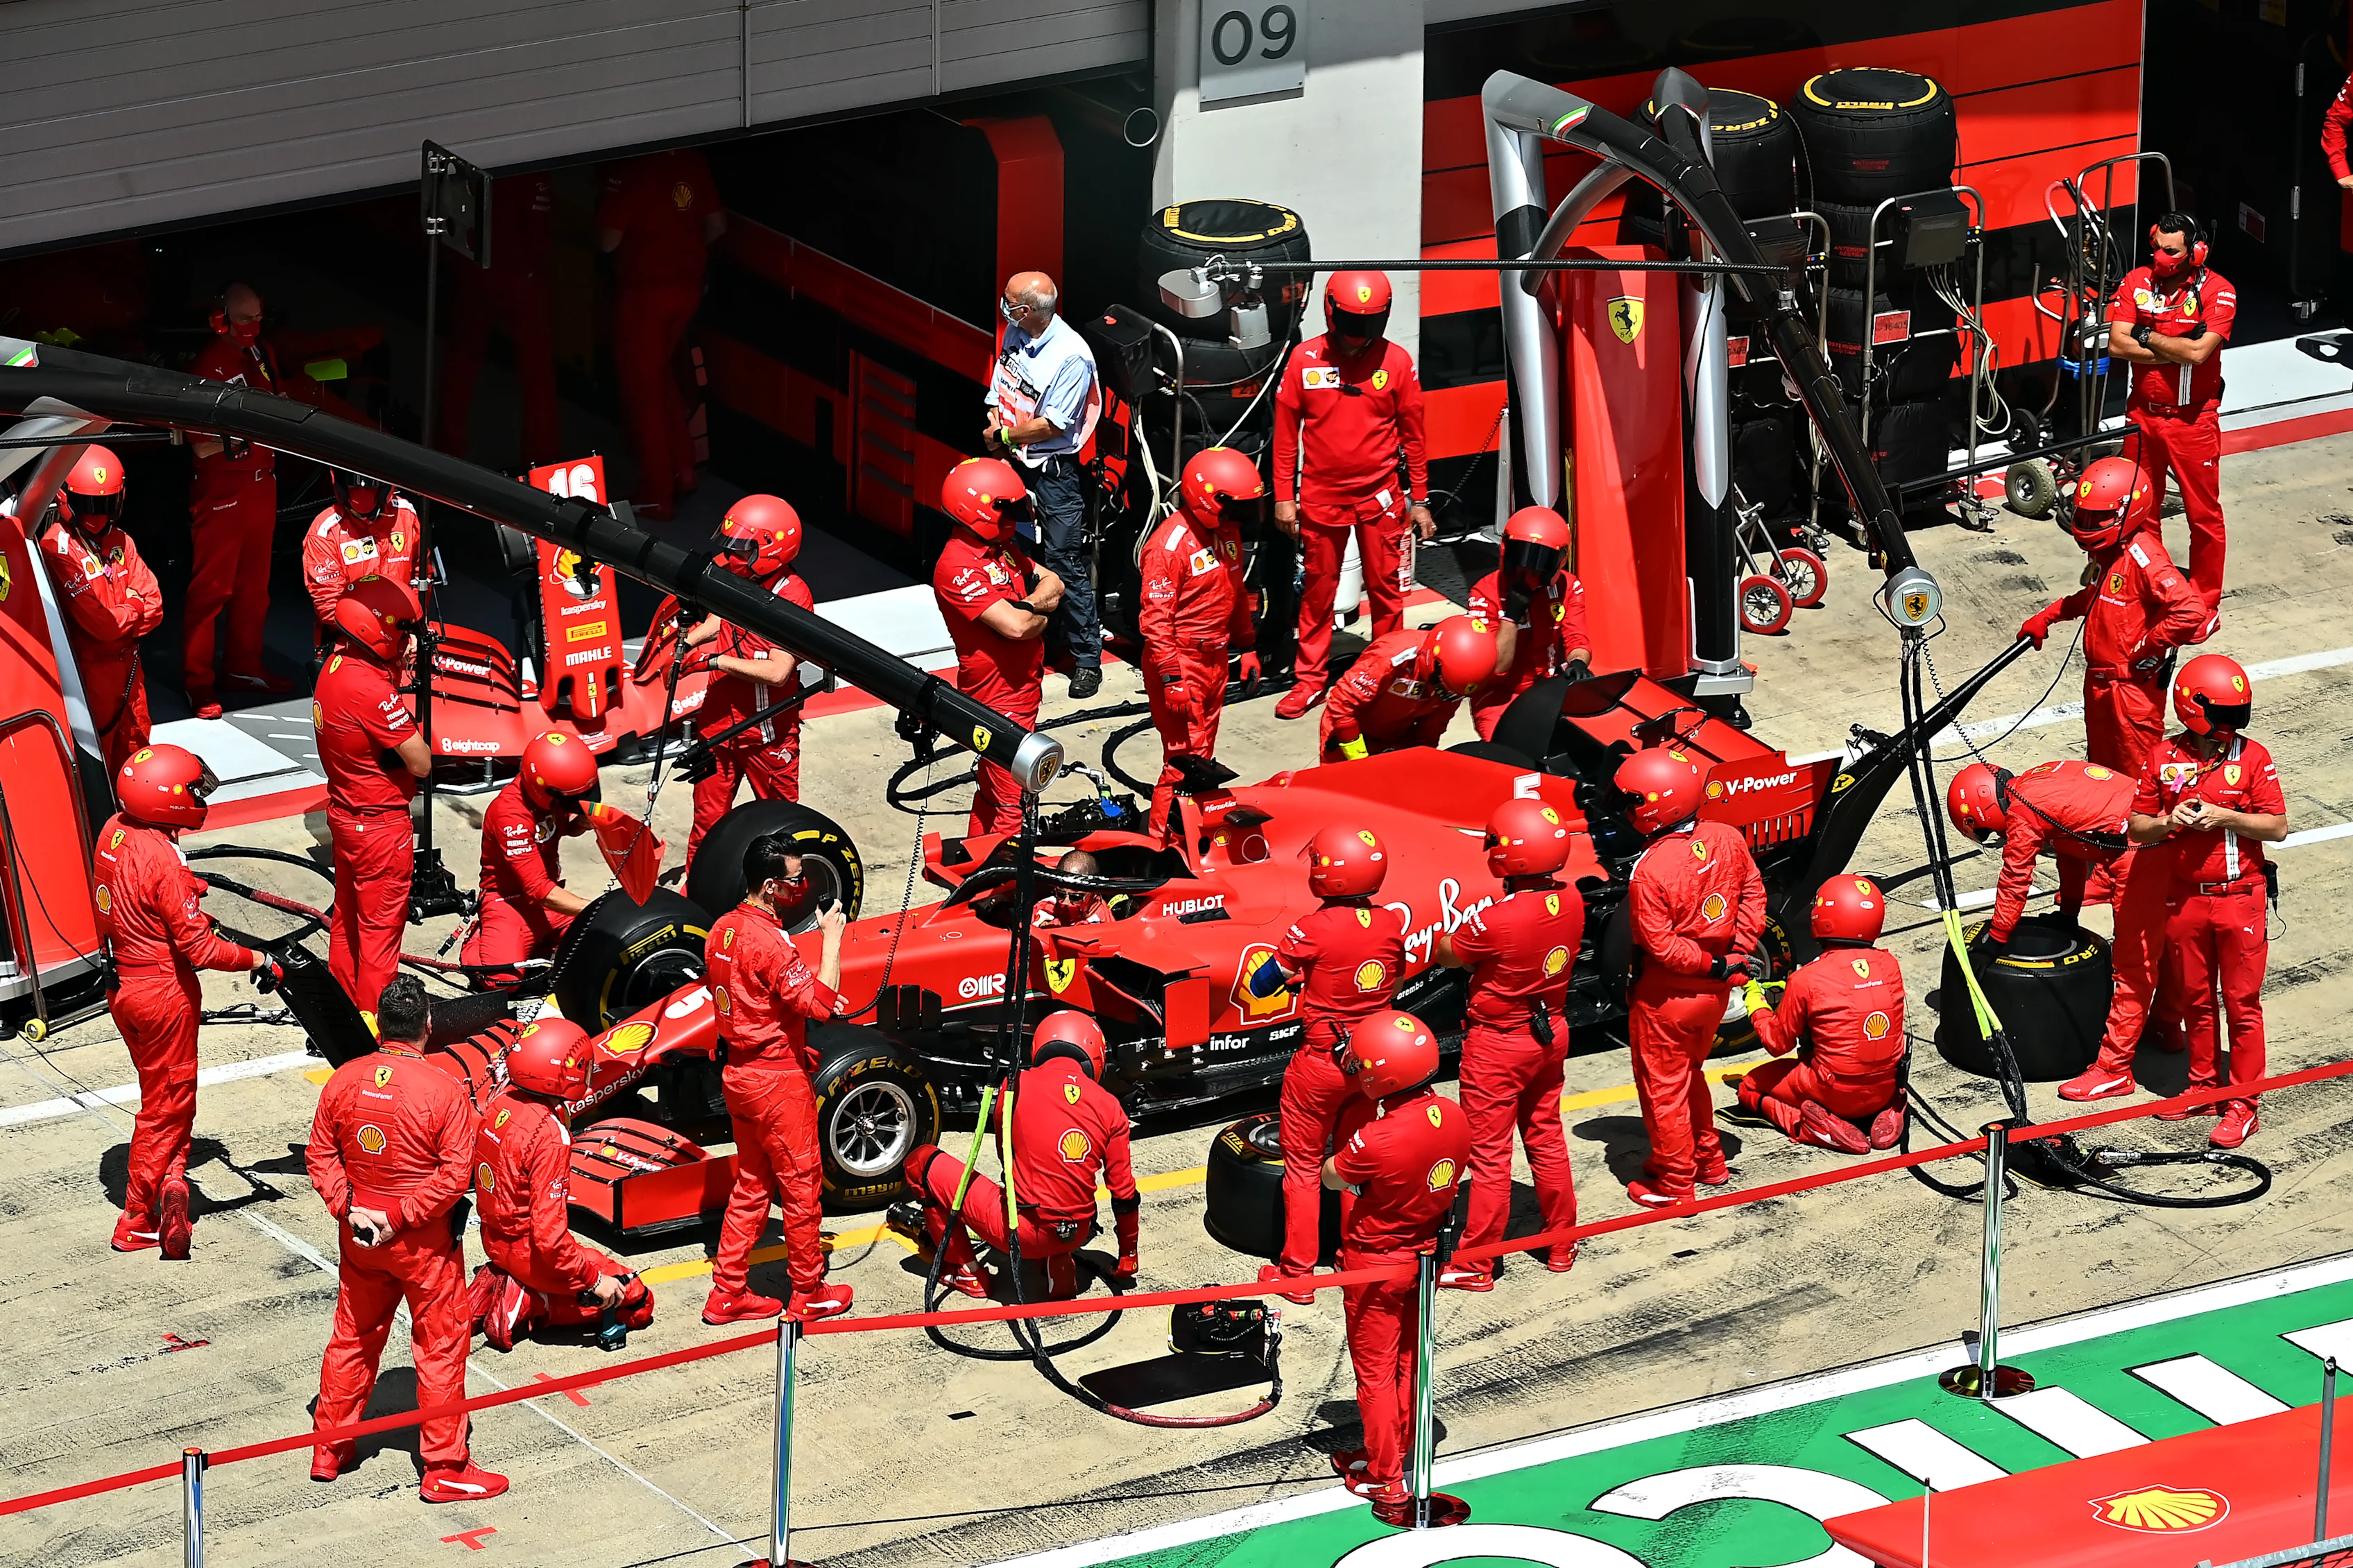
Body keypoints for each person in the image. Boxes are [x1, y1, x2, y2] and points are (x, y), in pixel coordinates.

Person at [308, 977, 505, 1502]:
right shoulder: (444, 1089)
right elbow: (456, 1174)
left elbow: (320, 1156)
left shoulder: (344, 1080)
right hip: (423, 1247)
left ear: (379, 1024)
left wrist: (349, 1209)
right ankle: (444, 1468)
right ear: (428, 1025)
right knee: (440, 1347)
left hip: (359, 1238)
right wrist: (398, 1217)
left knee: (353, 1337)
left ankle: (329, 1448)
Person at [94, 744, 277, 1255]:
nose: (200, 798)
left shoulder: (114, 829)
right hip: (161, 995)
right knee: (167, 1106)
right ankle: (136, 1218)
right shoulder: (166, 862)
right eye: (194, 791)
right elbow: (202, 949)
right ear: (168, 798)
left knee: (163, 1092)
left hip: (122, 986)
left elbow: (132, 891)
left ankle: (173, 1175)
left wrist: (181, 896)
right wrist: (260, 960)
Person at [2116, 653, 2285, 1144]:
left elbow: (2277, 826)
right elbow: (2137, 826)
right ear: (2194, 709)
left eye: (2237, 715)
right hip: (2185, 900)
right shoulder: (2162, 758)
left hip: (2241, 897)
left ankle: (2244, 1104)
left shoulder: (2253, 757)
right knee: (2196, 999)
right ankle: (2203, 1088)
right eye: (2224, 715)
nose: (2232, 726)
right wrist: (2171, 821)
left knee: (2242, 1004)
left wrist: (2225, 817)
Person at [1244, 823, 1406, 1303]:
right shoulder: (1390, 922)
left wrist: (1303, 979)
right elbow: (1389, 982)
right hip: (1370, 1065)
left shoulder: (1312, 928)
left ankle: (1298, 1273)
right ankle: (1351, 1257)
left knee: (1304, 1168)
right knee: (1354, 1164)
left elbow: (1260, 985)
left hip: (1320, 1066)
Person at [1322, 1010, 1471, 1525]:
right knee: (1410, 1360)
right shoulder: (1453, 1115)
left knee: (1376, 1376)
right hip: (1425, 1257)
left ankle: (1386, 1477)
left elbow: (1331, 1175)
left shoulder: (1379, 1137)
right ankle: (1398, 1448)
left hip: (1376, 1265)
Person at [702, 832, 855, 1325]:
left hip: (738, 1075)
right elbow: (820, 1004)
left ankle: (727, 1291)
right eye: (796, 878)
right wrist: (833, 938)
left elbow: (755, 1002)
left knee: (752, 1183)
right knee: (802, 1186)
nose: (803, 885)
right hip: (776, 1085)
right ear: (771, 886)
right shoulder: (769, 942)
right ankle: (808, 1290)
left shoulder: (721, 929)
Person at [1432, 797, 1584, 1287]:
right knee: (1546, 1136)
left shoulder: (1498, 919)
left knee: (1490, 1157)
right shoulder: (1573, 898)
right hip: (1550, 1032)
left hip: (1498, 1045)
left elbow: (1449, 952)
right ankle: (1561, 1242)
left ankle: (1476, 1263)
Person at [1272, 271, 1433, 719]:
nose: (1359, 335)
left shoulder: (1397, 362)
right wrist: (1284, 497)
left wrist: (1420, 500)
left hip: (1381, 498)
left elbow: (1414, 436)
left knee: (1387, 591)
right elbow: (1285, 437)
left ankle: (1388, 673)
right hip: (1321, 498)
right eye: (1351, 323)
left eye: (1369, 324)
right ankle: (1310, 681)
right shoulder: (1304, 360)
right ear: (1330, 311)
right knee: (1318, 593)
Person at [902, 1011, 1139, 1300]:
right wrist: (1128, 1255)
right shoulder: (1111, 1106)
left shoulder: (1015, 1085)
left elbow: (1007, 1155)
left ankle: (969, 1273)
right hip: (1078, 1231)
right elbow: (1124, 1194)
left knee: (920, 1162)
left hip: (1022, 1231)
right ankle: (1057, 1259)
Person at [1616, 747, 1765, 1207]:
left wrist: (1711, 965)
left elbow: (1660, 946)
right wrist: (1735, 956)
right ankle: (1709, 1160)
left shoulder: (1649, 870)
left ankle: (1676, 1184)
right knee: (1690, 1073)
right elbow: (1753, 895)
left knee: (1662, 1088)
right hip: (1716, 994)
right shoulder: (1726, 836)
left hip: (1667, 997)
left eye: (1631, 799)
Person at [470, 1018, 656, 1350]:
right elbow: (549, 1238)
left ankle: (504, 1281)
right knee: (637, 1299)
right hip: (531, 1255)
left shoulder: (500, 1101)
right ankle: (534, 1304)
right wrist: (593, 1280)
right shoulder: (549, 1134)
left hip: (494, 1239)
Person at [2019, 456, 2205, 778]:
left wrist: (2149, 646)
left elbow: (2190, 610)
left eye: (2099, 518)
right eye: (2085, 516)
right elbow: (2095, 598)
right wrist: (2049, 616)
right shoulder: (2107, 554)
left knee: (2137, 778)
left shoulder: (2144, 556)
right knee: (2101, 774)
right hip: (2100, 685)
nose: (2089, 525)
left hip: (2130, 689)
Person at [2106, 213, 2235, 630]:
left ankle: (2204, 603)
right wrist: (2174, 346)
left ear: (2196, 252)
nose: (2160, 257)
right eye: (2157, 247)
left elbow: (2199, 354)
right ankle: (2155, 589)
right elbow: (2117, 345)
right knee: (2141, 510)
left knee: (2204, 516)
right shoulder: (2136, 281)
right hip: (2141, 415)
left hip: (2193, 420)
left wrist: (2146, 335)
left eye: (2171, 250)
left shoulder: (2219, 291)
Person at [314, 576, 431, 1026]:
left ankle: (341, 1016)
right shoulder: (373, 690)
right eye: (401, 632)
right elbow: (420, 762)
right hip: (381, 828)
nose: (406, 641)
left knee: (346, 922)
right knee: (380, 936)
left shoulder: (334, 666)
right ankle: (373, 1027)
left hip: (345, 817)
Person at [932, 458, 1063, 838]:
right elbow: (1017, 627)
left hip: (1022, 690)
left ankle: (974, 862)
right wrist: (1040, 615)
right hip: (996, 698)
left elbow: (1054, 583)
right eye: (1007, 509)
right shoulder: (957, 565)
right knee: (1013, 805)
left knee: (994, 794)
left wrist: (1028, 607)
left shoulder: (1002, 549)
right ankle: (1002, 874)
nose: (1014, 518)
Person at [986, 270, 1103, 696]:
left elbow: (1053, 425)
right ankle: (1033, 636)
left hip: (1054, 473)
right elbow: (1000, 389)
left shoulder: (1072, 356)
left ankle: (1087, 659)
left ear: (1026, 310)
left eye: (1009, 301)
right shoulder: (1016, 332)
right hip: (1013, 461)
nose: (1003, 306)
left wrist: (1002, 436)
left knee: (1062, 560)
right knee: (1013, 549)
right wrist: (997, 429)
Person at [184, 283, 297, 717]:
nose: (255, 325)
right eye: (246, 318)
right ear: (222, 320)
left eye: (259, 317)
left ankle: (243, 668)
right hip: (222, 491)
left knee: (254, 588)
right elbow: (200, 445)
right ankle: (198, 683)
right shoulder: (206, 365)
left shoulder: (262, 352)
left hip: (262, 484)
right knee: (211, 591)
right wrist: (253, 432)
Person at [683, 495, 812, 873]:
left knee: (780, 830)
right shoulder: (734, 574)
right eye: (730, 546)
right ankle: (696, 892)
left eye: (741, 548)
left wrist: (712, 661)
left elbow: (778, 672)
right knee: (706, 825)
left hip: (767, 735)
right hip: (718, 726)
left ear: (771, 549)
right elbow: (718, 621)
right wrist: (686, 642)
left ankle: (788, 895)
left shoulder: (793, 595)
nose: (730, 555)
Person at [1138, 446, 1263, 832]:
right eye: (1234, 506)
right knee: (1183, 762)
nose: (1240, 516)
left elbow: (1235, 593)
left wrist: (1248, 647)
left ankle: (1192, 831)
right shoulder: (1168, 547)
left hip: (1216, 659)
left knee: (1203, 754)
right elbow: (1155, 620)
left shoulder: (1227, 533)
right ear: (1208, 498)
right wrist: (1172, 677)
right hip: (1181, 661)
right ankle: (1161, 843)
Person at [1734, 877, 1907, 1155]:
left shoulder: (1806, 979)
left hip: (1833, 1090)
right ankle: (1891, 1108)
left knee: (1749, 1088)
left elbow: (1777, 1044)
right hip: (1885, 1088)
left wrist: (1756, 1002)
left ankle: (1810, 1126)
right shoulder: (1890, 965)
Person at [595, 149, 724, 519]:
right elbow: (717, 226)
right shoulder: (694, 161)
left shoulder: (633, 169)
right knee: (660, 376)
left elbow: (606, 241)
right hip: (687, 290)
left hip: (644, 296)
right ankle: (683, 470)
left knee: (644, 391)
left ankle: (656, 493)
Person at [40, 445, 162, 774]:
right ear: (66, 499)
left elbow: (156, 606)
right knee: (95, 763)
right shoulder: (56, 549)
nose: (98, 516)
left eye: (105, 505)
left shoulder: (122, 540)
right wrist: (134, 606)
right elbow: (102, 626)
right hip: (88, 675)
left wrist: (125, 616)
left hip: (131, 668)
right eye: (89, 505)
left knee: (138, 752)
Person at [1946, 758, 2136, 948]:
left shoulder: (2023, 812)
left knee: (2132, 951)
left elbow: (2015, 878)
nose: (1995, 833)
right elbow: (2071, 854)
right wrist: (2068, 914)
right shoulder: (2035, 779)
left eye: (1986, 831)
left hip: (2137, 841)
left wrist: (1996, 938)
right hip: (2142, 815)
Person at [440, 171, 561, 465]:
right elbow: (537, 235)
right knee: (537, 373)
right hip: (521, 278)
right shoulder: (533, 171)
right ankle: (542, 458)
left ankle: (445, 448)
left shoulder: (480, 161)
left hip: (475, 269)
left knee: (461, 361)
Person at [461, 732, 596, 974]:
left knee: (602, 942)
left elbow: (559, 829)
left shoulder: (554, 796)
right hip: (509, 902)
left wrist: (580, 824)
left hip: (548, 900)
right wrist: (597, 907)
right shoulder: (510, 815)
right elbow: (539, 889)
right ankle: (479, 942)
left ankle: (538, 944)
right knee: (501, 978)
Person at [1466, 506, 1591, 742]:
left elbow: (1577, 638)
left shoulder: (1569, 587)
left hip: (1550, 688)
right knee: (1509, 751)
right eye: (1522, 557)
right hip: (1501, 697)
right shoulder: (1484, 593)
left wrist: (1578, 662)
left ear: (1560, 560)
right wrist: (1510, 617)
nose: (1528, 569)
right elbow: (1497, 667)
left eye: (1540, 560)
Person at [1319, 615, 1498, 764]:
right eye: (1441, 688)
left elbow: (1433, 727)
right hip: (1347, 735)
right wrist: (1360, 759)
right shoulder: (1390, 656)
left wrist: (1419, 759)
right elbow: (1342, 704)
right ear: (1433, 662)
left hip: (1395, 738)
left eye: (1451, 695)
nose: (1442, 695)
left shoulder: (1455, 683)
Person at [302, 469, 421, 640]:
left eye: (371, 483)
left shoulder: (405, 515)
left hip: (405, 632)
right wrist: (383, 636)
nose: (363, 490)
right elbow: (329, 604)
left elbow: (421, 575)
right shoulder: (325, 532)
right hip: (351, 638)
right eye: (354, 483)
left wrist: (413, 626)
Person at [1033, 849, 1112, 929]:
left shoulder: (1102, 925)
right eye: (1061, 894)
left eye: (1075, 897)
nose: (1065, 902)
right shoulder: (1045, 907)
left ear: (1094, 894)